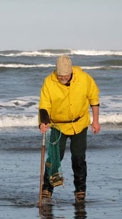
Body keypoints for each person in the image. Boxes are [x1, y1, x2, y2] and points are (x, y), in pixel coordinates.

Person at [38, 55, 100, 203]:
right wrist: (43, 122)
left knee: (78, 157)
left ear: (71, 72)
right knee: (54, 158)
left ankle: (80, 190)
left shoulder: (84, 79)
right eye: (60, 76)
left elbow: (94, 100)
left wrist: (96, 121)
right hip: (58, 125)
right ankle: (47, 189)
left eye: (65, 76)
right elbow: (44, 105)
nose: (62, 78)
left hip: (79, 124)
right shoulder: (49, 82)